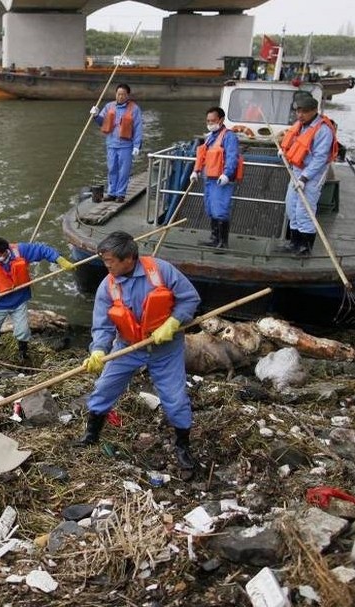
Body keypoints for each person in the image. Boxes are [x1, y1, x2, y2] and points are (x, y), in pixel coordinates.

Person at [76, 231, 201, 473]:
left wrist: (174, 322)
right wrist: (99, 350)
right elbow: (102, 324)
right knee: (104, 387)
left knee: (175, 399)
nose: (106, 265)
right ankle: (91, 434)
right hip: (127, 347)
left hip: (166, 347)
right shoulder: (108, 286)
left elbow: (189, 299)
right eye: (105, 260)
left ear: (129, 259)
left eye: (110, 261)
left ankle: (183, 447)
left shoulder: (161, 271)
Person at [0, 237, 75, 364]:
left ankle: (23, 353)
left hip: (19, 301)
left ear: (5, 252)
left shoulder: (20, 251)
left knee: (23, 330)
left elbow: (42, 250)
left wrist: (59, 259)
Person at [277, 95, 339, 256]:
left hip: (313, 174)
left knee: (304, 210)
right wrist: (284, 151)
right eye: (298, 111)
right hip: (297, 170)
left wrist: (305, 178)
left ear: (314, 111)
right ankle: (293, 242)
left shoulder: (323, 130)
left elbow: (320, 158)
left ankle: (305, 247)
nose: (300, 115)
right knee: (291, 206)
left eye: (304, 112)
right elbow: (295, 144)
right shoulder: (301, 125)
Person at [191, 106, 241, 249]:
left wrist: (227, 174)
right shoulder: (209, 137)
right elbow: (203, 156)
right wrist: (196, 171)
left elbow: (232, 157)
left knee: (220, 209)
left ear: (221, 120)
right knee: (210, 208)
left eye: (213, 120)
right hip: (209, 179)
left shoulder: (229, 136)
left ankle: (222, 242)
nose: (210, 123)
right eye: (208, 121)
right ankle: (214, 237)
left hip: (221, 180)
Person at [91, 83, 143, 204]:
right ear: (116, 94)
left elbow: (138, 128)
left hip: (126, 145)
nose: (121, 97)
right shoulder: (109, 106)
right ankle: (112, 192)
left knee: (124, 171)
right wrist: (95, 115)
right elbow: (101, 122)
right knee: (112, 169)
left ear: (128, 95)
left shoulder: (134, 109)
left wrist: (137, 145)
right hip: (111, 144)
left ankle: (120, 194)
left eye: (123, 94)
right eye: (119, 94)